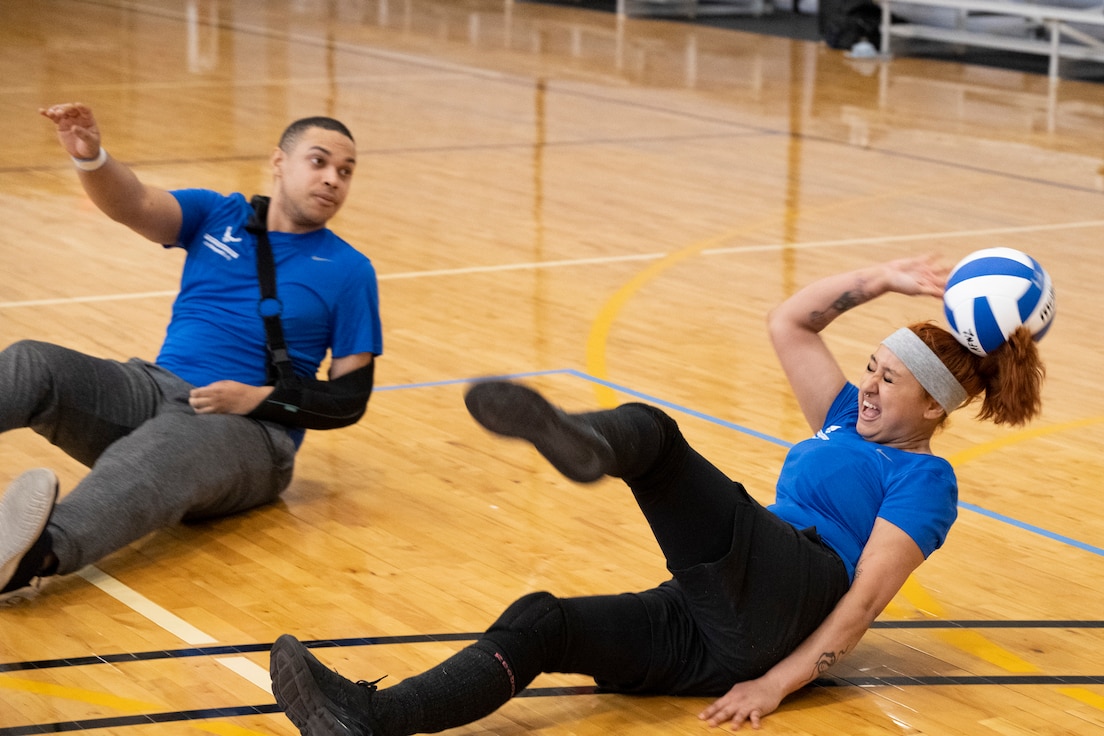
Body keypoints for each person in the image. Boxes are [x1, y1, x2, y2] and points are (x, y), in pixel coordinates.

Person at [268, 256, 1045, 733]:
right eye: (871, 365)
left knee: (655, 437)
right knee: (546, 621)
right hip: (727, 613)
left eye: (890, 378)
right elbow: (791, 323)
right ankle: (369, 718)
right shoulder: (844, 417)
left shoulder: (925, 480)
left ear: (934, 408)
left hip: (792, 591)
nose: (868, 384)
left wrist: (779, 683)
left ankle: (596, 446)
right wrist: (880, 280)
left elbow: (867, 600)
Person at [0, 103, 383, 605]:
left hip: (253, 438)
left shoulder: (350, 271)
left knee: (166, 446)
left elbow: (350, 399)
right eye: (319, 162)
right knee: (34, 362)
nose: (333, 179)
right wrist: (92, 158)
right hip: (154, 386)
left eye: (345, 172)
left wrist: (259, 399)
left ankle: (31, 557)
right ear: (279, 162)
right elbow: (133, 203)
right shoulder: (218, 213)